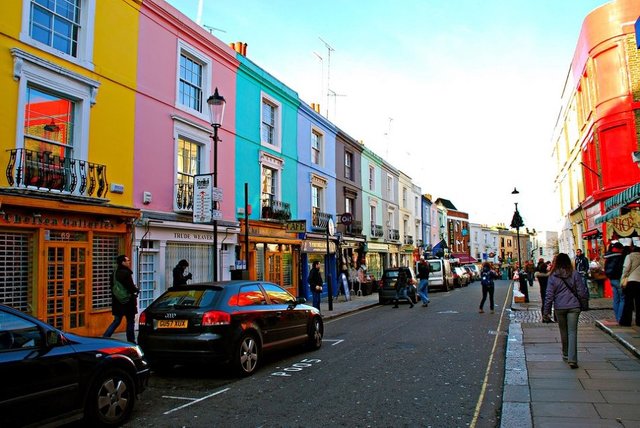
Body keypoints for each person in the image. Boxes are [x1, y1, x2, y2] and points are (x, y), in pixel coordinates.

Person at [543, 253, 589, 369]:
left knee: (563, 331)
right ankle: (572, 359)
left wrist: (546, 311)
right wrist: (584, 304)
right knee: (572, 332)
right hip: (574, 306)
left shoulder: (553, 276)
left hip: (560, 307)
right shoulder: (575, 274)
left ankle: (566, 354)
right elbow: (581, 291)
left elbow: (549, 295)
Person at [103, 255, 139, 343]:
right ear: (123, 262)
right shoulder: (126, 273)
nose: (129, 262)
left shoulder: (114, 273)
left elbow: (112, 287)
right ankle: (131, 340)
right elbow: (130, 287)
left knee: (116, 321)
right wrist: (136, 289)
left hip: (117, 301)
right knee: (130, 321)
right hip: (128, 301)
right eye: (127, 260)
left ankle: (105, 337)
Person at [604, 242, 625, 322]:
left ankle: (617, 317)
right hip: (618, 279)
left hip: (611, 279)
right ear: (619, 249)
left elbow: (606, 268)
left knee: (616, 299)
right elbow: (621, 269)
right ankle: (620, 318)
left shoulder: (609, 256)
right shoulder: (619, 257)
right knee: (622, 298)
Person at [620, 246, 640, 327]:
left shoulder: (629, 256)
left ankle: (626, 321)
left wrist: (623, 278)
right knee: (639, 302)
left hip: (631, 281)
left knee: (628, 302)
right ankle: (639, 321)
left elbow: (626, 268)